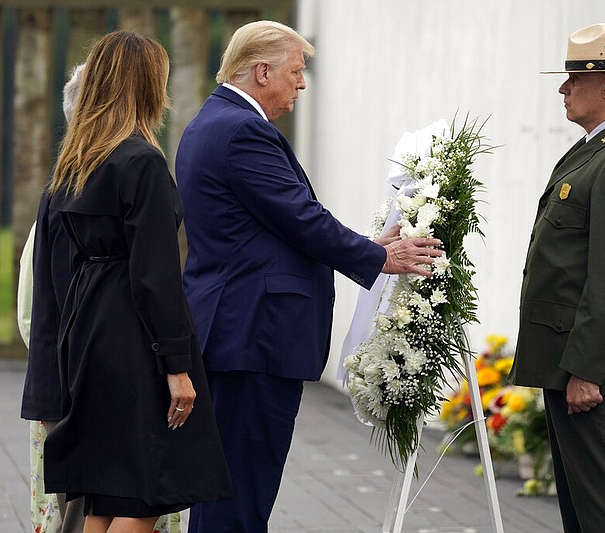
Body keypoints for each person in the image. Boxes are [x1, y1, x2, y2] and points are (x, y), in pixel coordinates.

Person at [175, 20, 443, 532]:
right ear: (261, 71)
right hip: (253, 337)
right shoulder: (241, 131)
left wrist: (367, 246)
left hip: (237, 333)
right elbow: (300, 217)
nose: (301, 83)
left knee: (227, 491)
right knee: (239, 496)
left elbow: (281, 224)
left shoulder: (214, 123)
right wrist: (378, 259)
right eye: (296, 72)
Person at [41, 30, 232, 533]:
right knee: (146, 490)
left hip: (88, 327)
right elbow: (155, 274)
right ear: (146, 86)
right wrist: (177, 368)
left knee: (106, 490)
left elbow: (58, 265)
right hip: (134, 333)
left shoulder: (74, 163)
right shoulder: (141, 161)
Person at [508, 23, 605, 533]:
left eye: (574, 79)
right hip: (570, 363)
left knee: (603, 508)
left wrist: (587, 370)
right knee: (582, 509)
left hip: (588, 370)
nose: (563, 89)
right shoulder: (596, 151)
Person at [18, 63, 85, 533]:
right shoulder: (75, 201)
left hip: (56, 386)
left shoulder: (57, 196)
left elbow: (28, 317)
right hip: (74, 392)